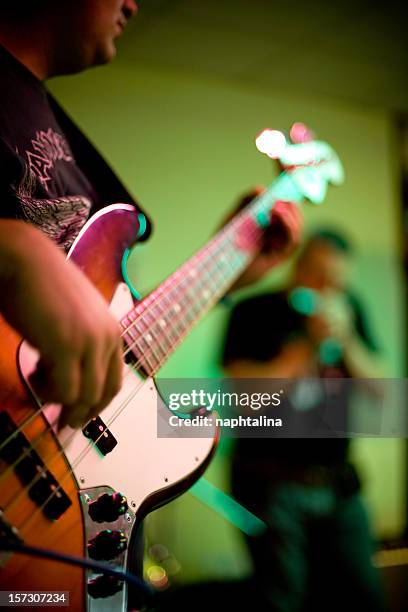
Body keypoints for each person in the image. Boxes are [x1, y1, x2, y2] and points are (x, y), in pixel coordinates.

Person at [0, 1, 301, 431]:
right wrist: (14, 250)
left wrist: (229, 269)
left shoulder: (50, 119)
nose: (132, 5)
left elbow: (114, 346)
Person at [223, 228, 386, 612]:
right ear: (300, 268)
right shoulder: (254, 311)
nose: (329, 289)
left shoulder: (351, 308)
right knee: (283, 598)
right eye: (321, 277)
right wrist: (308, 344)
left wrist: (348, 342)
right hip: (270, 484)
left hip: (338, 483)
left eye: (337, 282)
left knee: (363, 595)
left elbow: (383, 392)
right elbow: (245, 402)